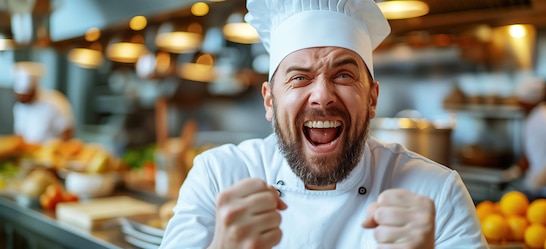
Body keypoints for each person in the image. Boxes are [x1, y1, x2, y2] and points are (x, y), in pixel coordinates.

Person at [160, 0, 487, 248]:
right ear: (270, 101)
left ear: (372, 98)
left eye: (343, 75)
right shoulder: (217, 178)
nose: (322, 96)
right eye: (300, 77)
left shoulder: (437, 192)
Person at [12, 61, 74, 144]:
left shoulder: (55, 100)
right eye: (19, 96)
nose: (22, 98)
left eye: (26, 95)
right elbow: (19, 135)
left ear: (34, 90)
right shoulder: (19, 107)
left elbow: (67, 130)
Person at [506, 75, 546, 200]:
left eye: (521, 99)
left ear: (530, 100)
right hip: (537, 186)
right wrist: (516, 170)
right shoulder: (534, 117)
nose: (518, 103)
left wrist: (541, 177)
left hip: (541, 187)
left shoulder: (541, 118)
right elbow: (534, 150)